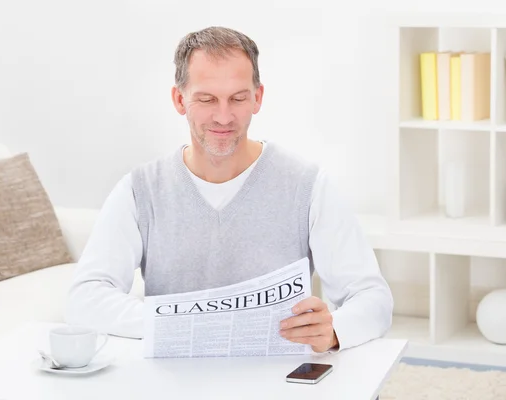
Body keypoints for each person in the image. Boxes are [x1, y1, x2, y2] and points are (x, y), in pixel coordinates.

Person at [65, 26, 393, 353]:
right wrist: (179, 324)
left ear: (257, 98)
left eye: (237, 98)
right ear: (180, 99)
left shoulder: (307, 185)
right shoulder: (140, 190)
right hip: (176, 377)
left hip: (275, 377)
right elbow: (85, 298)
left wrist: (334, 329)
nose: (223, 117)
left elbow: (372, 297)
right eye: (207, 99)